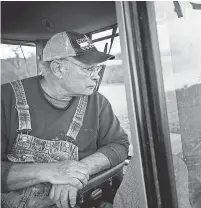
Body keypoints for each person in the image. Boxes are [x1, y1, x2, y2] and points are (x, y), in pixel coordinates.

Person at [1, 31, 130, 208]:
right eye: (88, 68)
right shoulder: (5, 99)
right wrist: (50, 171)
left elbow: (119, 145)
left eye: (97, 68)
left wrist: (77, 172)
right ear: (58, 68)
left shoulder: (98, 102)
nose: (96, 75)